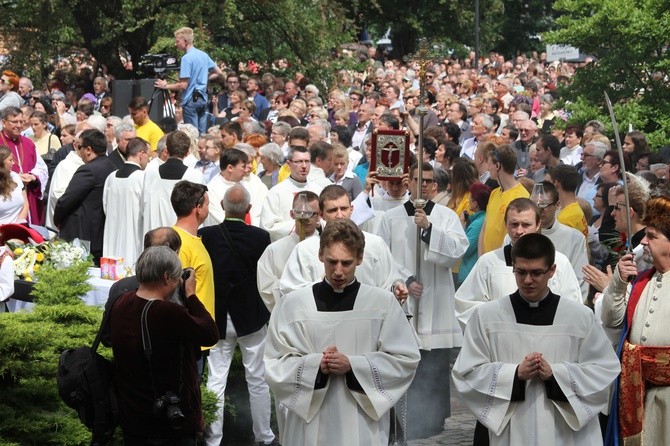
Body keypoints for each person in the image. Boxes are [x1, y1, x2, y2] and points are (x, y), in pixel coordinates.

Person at [452, 233, 620, 446]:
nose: (527, 280)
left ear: (552, 271)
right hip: (508, 431)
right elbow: (467, 372)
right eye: (520, 272)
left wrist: (555, 375)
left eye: (536, 273)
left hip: (566, 433)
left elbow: (604, 371)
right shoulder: (486, 317)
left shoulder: (580, 318)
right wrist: (514, 374)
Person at [264, 219, 421, 446]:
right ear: (320, 255)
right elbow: (274, 363)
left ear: (359, 258)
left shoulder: (382, 304)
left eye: (346, 263)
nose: (338, 271)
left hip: (362, 422)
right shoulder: (292, 305)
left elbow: (405, 360)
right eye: (332, 262)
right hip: (309, 425)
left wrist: (353, 365)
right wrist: (315, 366)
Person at [377, 162, 469, 439]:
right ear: (409, 182)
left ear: (435, 186)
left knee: (433, 362)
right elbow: (381, 257)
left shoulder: (446, 216)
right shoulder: (389, 217)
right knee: (403, 359)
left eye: (428, 181)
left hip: (435, 300)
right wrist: (404, 280)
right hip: (403, 300)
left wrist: (429, 229)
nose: (423, 186)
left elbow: (457, 251)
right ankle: (402, 421)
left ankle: (432, 419)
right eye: (418, 180)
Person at [110, 246, 219, 445]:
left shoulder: (121, 302)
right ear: (167, 277)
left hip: (134, 417)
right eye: (177, 278)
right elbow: (210, 334)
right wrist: (192, 295)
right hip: (167, 426)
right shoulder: (167, 312)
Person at [199, 185, 276, 446]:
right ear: (249, 209)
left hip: (218, 316)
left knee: (216, 380)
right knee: (257, 379)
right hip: (250, 316)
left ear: (222, 205)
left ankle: (213, 440)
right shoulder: (261, 237)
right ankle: (264, 436)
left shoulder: (206, 235)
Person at [602, 195, 670, 445]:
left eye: (652, 236)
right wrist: (619, 281)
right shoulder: (641, 281)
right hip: (640, 395)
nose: (643, 241)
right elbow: (611, 319)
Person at [456, 198, 583, 328]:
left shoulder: (559, 261)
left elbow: (572, 306)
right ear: (506, 224)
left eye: (526, 224)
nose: (519, 231)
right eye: (514, 224)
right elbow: (465, 305)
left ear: (538, 224)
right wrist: (499, 317)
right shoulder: (488, 262)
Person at [53, 129, 116, 265]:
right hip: (101, 231)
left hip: (82, 233)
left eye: (79, 147)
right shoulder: (111, 166)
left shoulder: (88, 170)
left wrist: (57, 220)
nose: (77, 151)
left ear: (88, 149)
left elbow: (66, 200)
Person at [257, 191, 320, 312]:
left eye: (311, 214)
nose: (306, 218)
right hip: (287, 313)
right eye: (301, 213)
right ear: (292, 214)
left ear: (320, 214)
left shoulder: (327, 247)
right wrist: (292, 287)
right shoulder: (273, 250)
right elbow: (266, 289)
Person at [154, 27, 224, 134]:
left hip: (191, 100)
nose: (175, 44)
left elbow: (183, 85)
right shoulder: (203, 55)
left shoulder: (186, 58)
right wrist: (204, 79)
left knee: (191, 133)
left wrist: (165, 86)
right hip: (203, 98)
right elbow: (218, 72)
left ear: (185, 41)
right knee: (201, 133)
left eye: (177, 41)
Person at [260, 145, 324, 241]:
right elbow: (268, 226)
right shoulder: (276, 192)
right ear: (288, 164)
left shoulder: (318, 190)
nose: (304, 166)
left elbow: (325, 220)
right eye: (299, 162)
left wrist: (319, 225)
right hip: (287, 246)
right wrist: (300, 224)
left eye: (307, 161)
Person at [102, 137, 150, 264]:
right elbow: (147, 210)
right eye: (147, 155)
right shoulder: (143, 177)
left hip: (112, 234)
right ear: (141, 154)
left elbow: (105, 207)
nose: (148, 160)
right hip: (133, 237)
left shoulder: (111, 177)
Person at [0, 107, 49, 225]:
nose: (19, 125)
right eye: (14, 122)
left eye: (21, 122)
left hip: (29, 195)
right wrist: (14, 177)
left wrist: (32, 176)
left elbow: (42, 168)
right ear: (4, 122)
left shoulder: (28, 143)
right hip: (6, 196)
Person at [0, 145, 29, 224]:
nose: (13, 163)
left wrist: (17, 226)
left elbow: (25, 203)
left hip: (18, 229)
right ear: (1, 162)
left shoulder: (15, 176)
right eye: (10, 160)